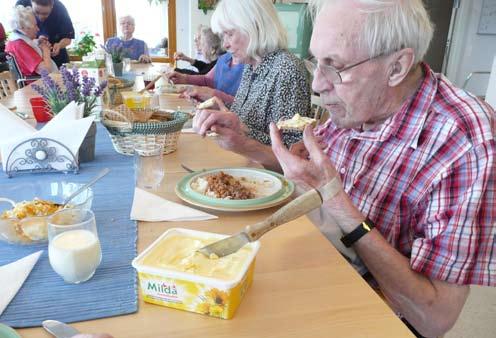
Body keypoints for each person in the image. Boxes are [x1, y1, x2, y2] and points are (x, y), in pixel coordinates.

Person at [201, 0, 495, 336]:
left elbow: (433, 319)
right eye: (316, 61)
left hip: (366, 312)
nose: (316, 85)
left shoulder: (465, 141)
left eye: (334, 66)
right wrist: (254, 148)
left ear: (396, 67)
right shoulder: (355, 101)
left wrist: (337, 201)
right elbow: (312, 177)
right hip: (308, 263)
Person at [191, 0, 311, 147]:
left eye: (229, 34)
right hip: (241, 158)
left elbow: (292, 149)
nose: (225, 45)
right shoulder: (251, 64)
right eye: (223, 36)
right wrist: (220, 108)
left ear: (255, 26)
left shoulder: (287, 69)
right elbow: (245, 116)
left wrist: (240, 128)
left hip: (262, 168)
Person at [167, 52, 244, 105]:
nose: (224, 44)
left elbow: (248, 109)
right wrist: (185, 78)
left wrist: (213, 94)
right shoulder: (225, 57)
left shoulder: (251, 65)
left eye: (230, 34)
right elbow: (207, 80)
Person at [15, 0, 75, 68]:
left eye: (45, 13)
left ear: (52, 6)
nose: (40, 17)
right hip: (33, 58)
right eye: (36, 12)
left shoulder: (59, 8)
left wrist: (59, 45)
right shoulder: (22, 5)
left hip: (57, 57)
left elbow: (68, 36)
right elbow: (18, 35)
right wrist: (37, 41)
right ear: (31, 3)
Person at [6, 5, 57, 77]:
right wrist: (46, 50)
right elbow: (45, 70)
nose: (38, 29)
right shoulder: (19, 45)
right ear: (24, 28)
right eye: (35, 25)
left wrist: (38, 42)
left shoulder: (16, 41)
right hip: (35, 84)